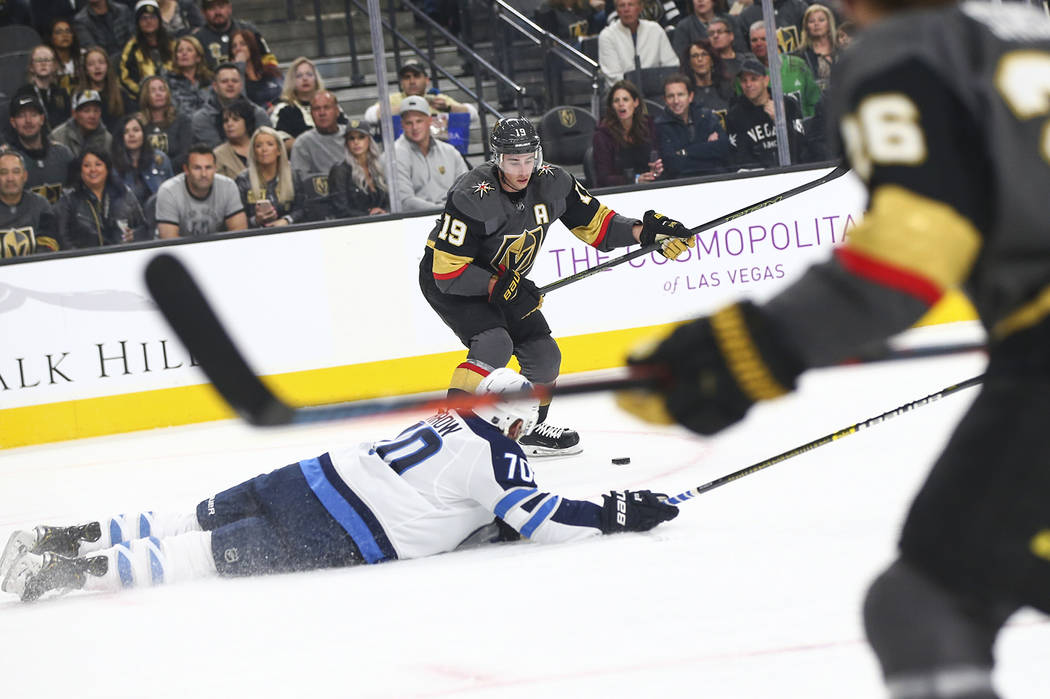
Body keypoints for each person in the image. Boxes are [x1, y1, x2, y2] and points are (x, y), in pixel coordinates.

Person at [617, 2, 1050, 697]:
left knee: (928, 604)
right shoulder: (1034, 31)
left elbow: (909, 255)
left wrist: (746, 351)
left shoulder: (910, 52)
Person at [0, 368, 679, 603]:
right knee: (200, 554)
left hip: (311, 474)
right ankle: (58, 573)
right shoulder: (496, 457)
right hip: (340, 524)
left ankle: (57, 536)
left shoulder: (447, 414)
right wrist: (618, 509)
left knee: (191, 515)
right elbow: (538, 518)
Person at [419, 116, 695, 457]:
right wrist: (497, 285)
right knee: (494, 343)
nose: (522, 170)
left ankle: (528, 429)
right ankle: (451, 433)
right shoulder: (471, 194)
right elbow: (448, 271)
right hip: (456, 281)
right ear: (496, 158)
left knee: (544, 356)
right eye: (512, 161)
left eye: (528, 159)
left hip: (510, 282)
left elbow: (600, 226)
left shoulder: (554, 182)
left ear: (538, 154)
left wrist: (645, 233)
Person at [55, 146, 147, 249]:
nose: (93, 170)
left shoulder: (123, 193)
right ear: (80, 171)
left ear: (107, 168)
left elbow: (143, 228)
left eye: (98, 164)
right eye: (87, 165)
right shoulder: (69, 199)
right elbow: (63, 238)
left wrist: (134, 235)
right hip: (84, 260)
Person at [725, 57, 804, 169]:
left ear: (766, 80)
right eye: (744, 80)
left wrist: (780, 121)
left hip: (792, 170)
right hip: (758, 176)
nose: (748, 84)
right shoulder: (735, 115)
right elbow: (738, 158)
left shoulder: (788, 104)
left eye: (754, 79)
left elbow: (801, 147)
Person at [393, 96, 468, 212]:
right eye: (409, 123)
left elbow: (466, 190)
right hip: (415, 221)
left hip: (453, 218)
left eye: (419, 121)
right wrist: (442, 211)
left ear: (429, 121)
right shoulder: (394, 155)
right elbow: (405, 201)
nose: (415, 127)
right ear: (402, 124)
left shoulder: (450, 152)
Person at [155, 143, 247, 238]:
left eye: (208, 167)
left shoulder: (228, 186)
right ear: (186, 169)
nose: (204, 174)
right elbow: (169, 240)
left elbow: (239, 233)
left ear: (215, 168)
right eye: (197, 168)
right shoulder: (168, 191)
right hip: (181, 251)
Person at [7, 88, 75, 205]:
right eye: (21, 116)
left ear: (42, 119)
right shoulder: (6, 160)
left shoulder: (63, 154)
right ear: (13, 122)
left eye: (33, 115)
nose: (28, 121)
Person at [656, 73, 728, 178]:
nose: (676, 101)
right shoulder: (659, 126)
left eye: (680, 95)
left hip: (715, 178)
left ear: (690, 96)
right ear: (665, 100)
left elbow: (723, 149)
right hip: (681, 183)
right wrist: (706, 149)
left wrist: (685, 152)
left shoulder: (706, 116)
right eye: (671, 96)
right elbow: (673, 165)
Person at [363, 62, 477, 128]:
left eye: (416, 76)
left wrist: (448, 108)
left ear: (427, 80)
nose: (412, 81)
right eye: (407, 77)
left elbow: (472, 114)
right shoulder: (393, 99)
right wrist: (406, 106)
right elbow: (370, 116)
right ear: (401, 82)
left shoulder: (437, 99)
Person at [591, 79, 661, 186]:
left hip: (650, 186)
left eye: (625, 99)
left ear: (636, 102)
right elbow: (603, 178)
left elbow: (658, 157)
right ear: (612, 106)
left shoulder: (649, 126)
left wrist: (657, 169)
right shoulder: (602, 136)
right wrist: (636, 180)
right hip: (618, 192)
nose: (621, 104)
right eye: (616, 101)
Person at [234, 126, 306, 228]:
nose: (264, 149)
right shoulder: (243, 180)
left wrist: (287, 220)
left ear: (279, 150)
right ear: (254, 152)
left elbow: (303, 208)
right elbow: (236, 219)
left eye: (270, 144)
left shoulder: (293, 175)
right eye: (258, 146)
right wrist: (256, 220)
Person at [597, 0, 678, 88]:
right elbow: (614, 77)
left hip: (657, 90)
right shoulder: (607, 36)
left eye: (631, 5)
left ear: (640, 8)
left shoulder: (655, 30)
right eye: (622, 6)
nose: (626, 9)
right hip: (622, 93)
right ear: (617, 10)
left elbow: (672, 65)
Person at [749, 21, 821, 118]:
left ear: (777, 41)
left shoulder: (798, 64)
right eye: (754, 40)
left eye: (764, 39)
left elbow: (814, 101)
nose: (759, 43)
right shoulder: (747, 76)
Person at [192, 62, 271, 148]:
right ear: (215, 86)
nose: (230, 85)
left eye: (235, 81)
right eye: (224, 81)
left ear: (241, 85)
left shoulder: (258, 113)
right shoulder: (201, 118)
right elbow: (215, 149)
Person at [0, 150, 59, 258]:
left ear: (25, 176)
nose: (10, 178)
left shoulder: (40, 204)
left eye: (16, 171)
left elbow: (50, 244)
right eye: (3, 172)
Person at [192, 0, 277, 72]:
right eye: (211, 8)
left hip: (252, 85)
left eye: (221, 6)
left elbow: (268, 59)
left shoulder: (248, 30)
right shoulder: (197, 38)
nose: (217, 12)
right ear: (203, 12)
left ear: (229, 8)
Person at [329, 119, 389, 219]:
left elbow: (389, 200)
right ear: (347, 143)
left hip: (382, 222)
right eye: (351, 138)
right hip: (353, 227)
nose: (356, 142)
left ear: (369, 140)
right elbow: (340, 209)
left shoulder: (378, 167)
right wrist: (369, 215)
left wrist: (384, 212)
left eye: (361, 137)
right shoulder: (340, 171)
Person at [118, 0, 176, 102]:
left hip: (175, 94)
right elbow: (125, 78)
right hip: (144, 100)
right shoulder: (132, 47)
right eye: (144, 18)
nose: (149, 21)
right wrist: (143, 93)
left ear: (159, 20)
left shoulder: (171, 43)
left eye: (152, 17)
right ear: (138, 22)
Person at [111, 112, 173, 202]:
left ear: (143, 134)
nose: (131, 135)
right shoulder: (114, 166)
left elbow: (172, 193)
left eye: (136, 130)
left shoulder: (160, 159)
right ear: (120, 137)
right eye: (126, 132)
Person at [270, 57, 337, 141]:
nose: (305, 79)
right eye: (299, 76)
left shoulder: (330, 103)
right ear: (292, 81)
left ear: (316, 78)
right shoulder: (283, 109)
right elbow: (281, 142)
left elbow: (345, 131)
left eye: (309, 74)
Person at [139, 74, 194, 171]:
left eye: (162, 89)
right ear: (145, 95)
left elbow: (186, 153)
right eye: (153, 91)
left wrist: (165, 167)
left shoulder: (182, 121)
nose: (158, 94)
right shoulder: (138, 123)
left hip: (175, 173)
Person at [289, 91, 345, 177]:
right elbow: (299, 181)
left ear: (337, 111)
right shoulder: (302, 143)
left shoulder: (352, 135)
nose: (322, 113)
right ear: (311, 114)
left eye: (327, 108)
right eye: (316, 109)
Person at [51, 89, 113, 158]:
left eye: (96, 111)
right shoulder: (57, 137)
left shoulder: (108, 140)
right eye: (86, 111)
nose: (92, 116)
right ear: (74, 113)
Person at [230, 28, 282, 110]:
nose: (238, 49)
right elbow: (240, 102)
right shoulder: (233, 78)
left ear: (251, 46)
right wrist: (240, 67)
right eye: (234, 46)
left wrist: (276, 106)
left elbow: (285, 92)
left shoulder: (270, 70)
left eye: (243, 44)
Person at [77, 46, 125, 133]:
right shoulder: (79, 96)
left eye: (101, 62)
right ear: (86, 70)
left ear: (108, 66)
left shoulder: (121, 94)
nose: (97, 67)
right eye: (91, 64)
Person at [24, 45, 71, 130]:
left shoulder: (62, 93)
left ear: (54, 66)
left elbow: (69, 120)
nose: (43, 63)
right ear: (31, 67)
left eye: (47, 60)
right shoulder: (24, 93)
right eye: (38, 60)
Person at [794, 3, 838, 94]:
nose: (816, 24)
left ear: (829, 24)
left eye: (821, 20)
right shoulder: (799, 56)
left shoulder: (842, 51)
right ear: (806, 27)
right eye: (811, 21)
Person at [736, 0, 809, 53]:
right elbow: (743, 50)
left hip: (799, 66)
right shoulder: (746, 16)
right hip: (764, 70)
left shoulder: (799, 8)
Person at [679, 39, 731, 113]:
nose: (700, 59)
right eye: (695, 56)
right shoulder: (686, 94)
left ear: (712, 60)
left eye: (704, 54)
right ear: (689, 63)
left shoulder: (726, 89)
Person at [164, 35, 213, 113]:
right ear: (176, 58)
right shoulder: (167, 80)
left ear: (198, 57)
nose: (184, 53)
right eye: (180, 51)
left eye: (189, 50)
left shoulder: (209, 80)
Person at [212, 98, 253, 178]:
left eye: (235, 119)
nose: (229, 124)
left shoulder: (261, 147)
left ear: (247, 121)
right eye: (225, 121)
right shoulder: (218, 154)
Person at [45, 18, 82, 93]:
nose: (65, 35)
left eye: (68, 31)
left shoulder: (82, 58)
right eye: (59, 32)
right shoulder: (46, 63)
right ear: (51, 38)